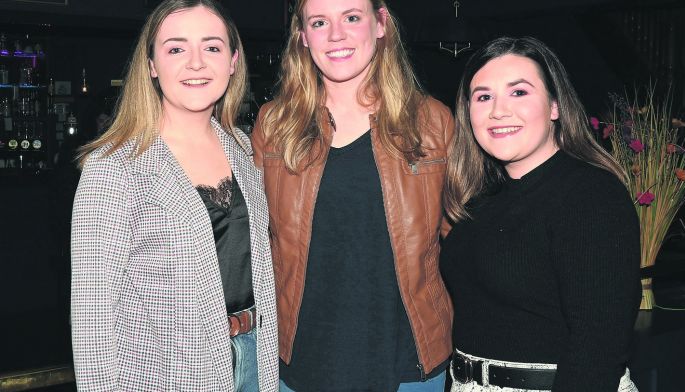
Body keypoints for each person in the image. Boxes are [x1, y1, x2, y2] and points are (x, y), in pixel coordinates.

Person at [70, 1, 277, 390]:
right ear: (151, 65)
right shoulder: (114, 168)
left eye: (212, 47)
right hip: (168, 372)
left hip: (255, 358)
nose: (196, 62)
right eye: (176, 48)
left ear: (233, 61)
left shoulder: (244, 150)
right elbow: (92, 318)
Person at [251, 0, 454, 390]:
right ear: (303, 37)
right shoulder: (273, 125)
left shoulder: (432, 122)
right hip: (299, 360)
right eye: (319, 22)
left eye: (352, 17)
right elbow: (258, 243)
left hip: (409, 363)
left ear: (380, 25)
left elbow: (461, 240)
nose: (336, 35)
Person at [440, 36, 641, 392]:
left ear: (555, 106)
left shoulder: (591, 194)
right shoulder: (481, 197)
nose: (498, 110)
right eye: (483, 96)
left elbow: (598, 348)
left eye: (519, 92)